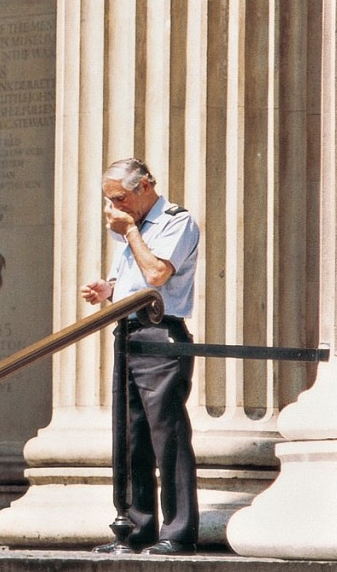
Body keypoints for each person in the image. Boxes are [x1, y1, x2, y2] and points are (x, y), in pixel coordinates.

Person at [80, 158, 201, 556]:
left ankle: (179, 532)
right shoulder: (131, 228)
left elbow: (157, 276)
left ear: (145, 186)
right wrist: (108, 289)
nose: (114, 208)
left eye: (119, 198)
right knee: (130, 435)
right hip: (129, 333)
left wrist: (131, 231)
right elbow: (133, 281)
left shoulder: (175, 222)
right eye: (108, 200)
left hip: (161, 335)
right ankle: (135, 530)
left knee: (167, 434)